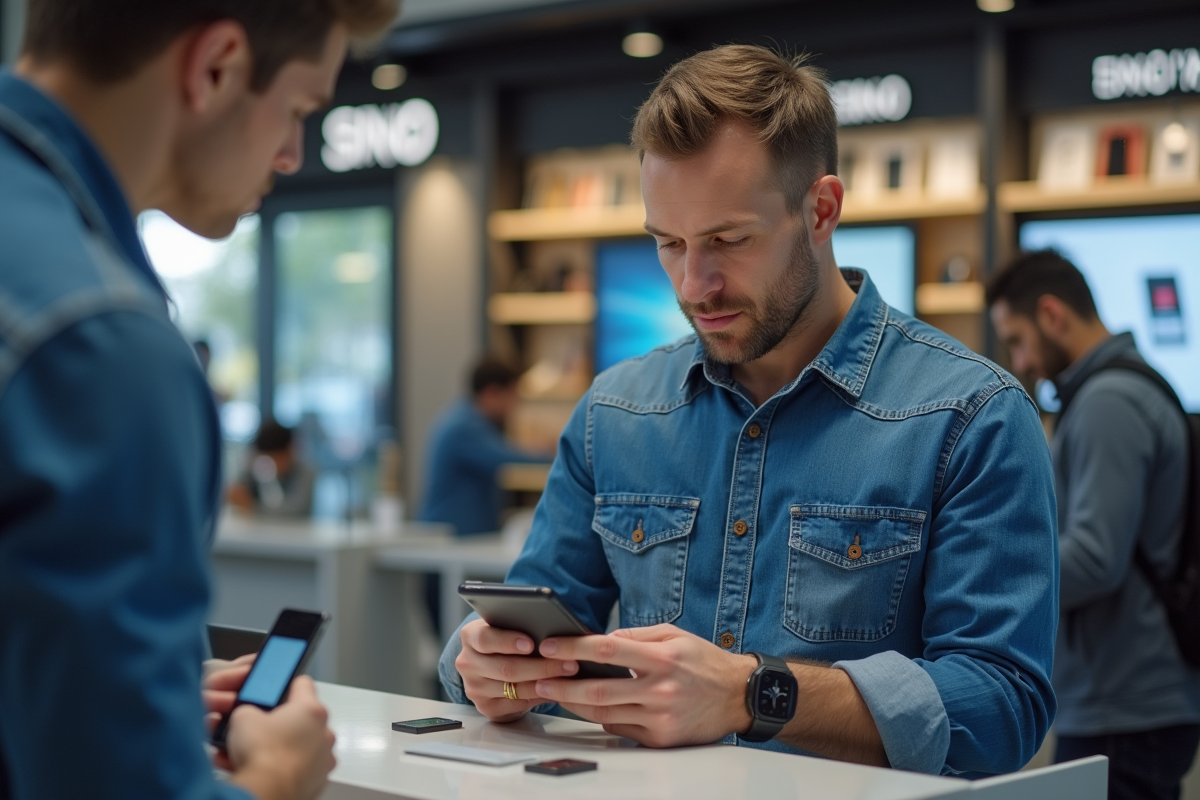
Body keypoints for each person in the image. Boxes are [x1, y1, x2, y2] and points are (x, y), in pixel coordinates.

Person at [439, 44, 1058, 777]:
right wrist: (487, 667)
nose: (695, 284)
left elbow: (1000, 706)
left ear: (821, 210)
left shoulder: (972, 416)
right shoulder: (615, 413)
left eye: (729, 241)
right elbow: (528, 625)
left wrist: (755, 694)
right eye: (668, 244)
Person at [0, 1, 398, 798]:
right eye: (297, 110)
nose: (292, 155)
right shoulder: (103, 345)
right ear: (214, 66)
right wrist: (279, 776)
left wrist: (125, 697)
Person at [988, 250, 1200, 800]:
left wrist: (993, 569)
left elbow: (1096, 558)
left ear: (1053, 315)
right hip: (1122, 696)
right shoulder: (1115, 391)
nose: (1022, 362)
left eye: (1018, 340)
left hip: (1124, 702)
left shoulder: (1108, 402)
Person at [419, 359, 549, 537]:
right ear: (491, 392)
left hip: (459, 537)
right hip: (449, 539)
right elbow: (507, 456)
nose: (515, 406)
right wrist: (560, 453)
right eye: (512, 396)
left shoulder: (469, 420)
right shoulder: (463, 426)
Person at [228, 420, 318, 518]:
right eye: (267, 458)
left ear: (290, 450)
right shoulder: (258, 466)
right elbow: (238, 490)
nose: (272, 464)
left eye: (277, 459)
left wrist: (251, 506)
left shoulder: (306, 472)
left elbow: (296, 510)